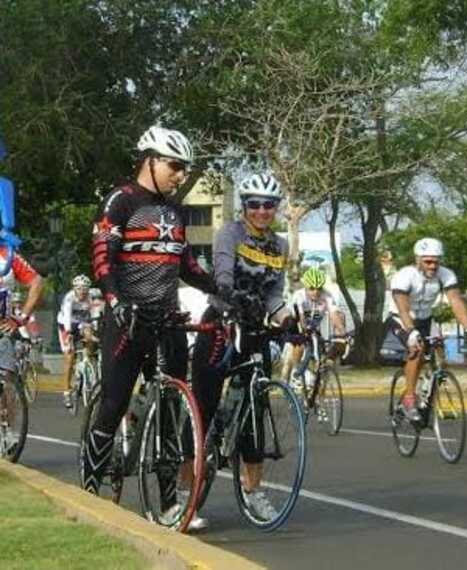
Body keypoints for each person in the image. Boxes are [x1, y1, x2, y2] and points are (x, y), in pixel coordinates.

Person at [82, 125, 217, 532]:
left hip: (167, 319)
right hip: (127, 320)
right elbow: (103, 257)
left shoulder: (174, 212)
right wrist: (114, 301)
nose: (180, 175)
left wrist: (225, 291)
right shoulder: (121, 201)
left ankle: (169, 504)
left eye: (184, 169)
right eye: (175, 166)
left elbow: (188, 267)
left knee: (172, 410)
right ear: (151, 161)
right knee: (114, 403)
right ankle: (88, 493)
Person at [191, 171, 290, 522]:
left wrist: (289, 321)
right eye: (256, 204)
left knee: (255, 408)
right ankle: (184, 495)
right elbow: (222, 275)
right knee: (202, 406)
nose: (263, 210)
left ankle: (253, 491)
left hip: (253, 330)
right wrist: (233, 299)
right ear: (246, 206)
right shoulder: (230, 233)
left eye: (270, 205)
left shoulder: (281, 244)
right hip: (220, 323)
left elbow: (275, 294)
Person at [389, 237, 467, 422]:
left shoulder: (446, 275)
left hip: (426, 319)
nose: (433, 266)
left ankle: (426, 395)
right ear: (418, 260)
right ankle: (409, 399)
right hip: (401, 319)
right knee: (417, 349)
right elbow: (403, 308)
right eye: (428, 261)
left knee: (440, 358)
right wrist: (411, 332)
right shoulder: (405, 276)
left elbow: (455, 301)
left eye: (436, 262)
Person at [0, 250, 45, 455]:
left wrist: (22, 317)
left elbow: (36, 281)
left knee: (6, 381)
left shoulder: (7, 254)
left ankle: (6, 432)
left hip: (2, 329)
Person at [285, 266, 347, 385]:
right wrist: (304, 331)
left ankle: (316, 388)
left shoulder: (327, 296)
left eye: (319, 288)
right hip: (296, 326)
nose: (316, 292)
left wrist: (342, 332)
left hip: (313, 329)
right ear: (306, 287)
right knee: (300, 344)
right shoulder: (299, 296)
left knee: (322, 355)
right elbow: (301, 318)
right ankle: (295, 373)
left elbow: (334, 316)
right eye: (312, 288)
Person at [57, 274, 95, 408]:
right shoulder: (69, 298)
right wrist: (68, 333)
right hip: (65, 325)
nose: (82, 291)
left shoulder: (90, 297)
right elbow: (67, 317)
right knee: (69, 356)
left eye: (84, 289)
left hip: (81, 323)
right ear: (74, 289)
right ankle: (66, 392)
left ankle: (87, 363)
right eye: (79, 289)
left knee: (90, 338)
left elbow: (93, 315)